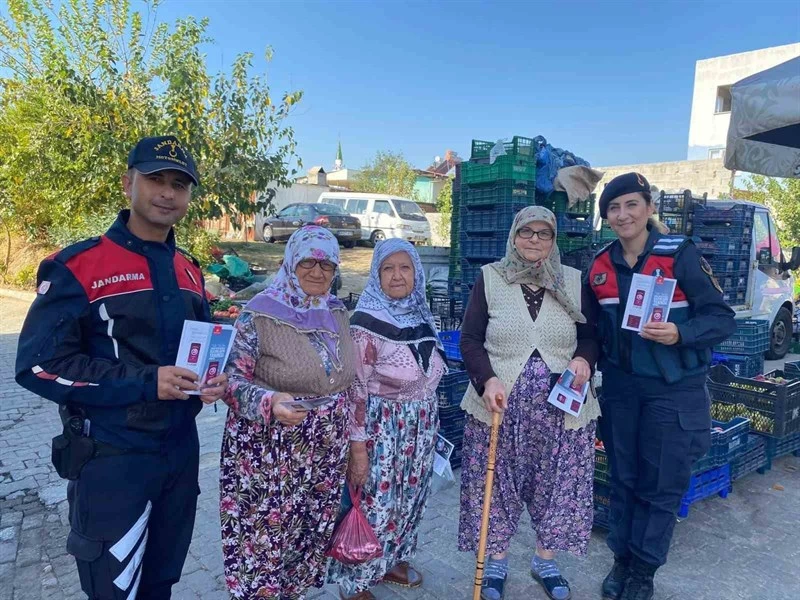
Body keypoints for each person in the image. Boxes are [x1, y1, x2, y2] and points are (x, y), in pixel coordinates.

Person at [14, 135, 228, 599]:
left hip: (179, 453)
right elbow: (39, 366)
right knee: (115, 591)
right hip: (113, 458)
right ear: (128, 182)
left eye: (180, 184)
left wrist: (212, 382)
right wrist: (147, 382)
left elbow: (201, 349)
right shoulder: (78, 266)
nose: (168, 193)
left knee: (161, 583)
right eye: (155, 179)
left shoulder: (189, 270)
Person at [587, 173, 736, 600]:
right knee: (623, 480)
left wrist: (680, 333)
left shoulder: (679, 254)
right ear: (607, 218)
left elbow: (721, 318)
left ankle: (643, 572)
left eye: (631, 204)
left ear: (649, 208)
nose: (623, 214)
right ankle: (622, 560)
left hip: (674, 390)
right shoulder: (599, 267)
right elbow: (592, 331)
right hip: (620, 390)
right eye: (613, 208)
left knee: (661, 483)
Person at [458, 206, 600, 600]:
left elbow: (591, 336)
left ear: (554, 240)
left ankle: (545, 561)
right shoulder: (490, 278)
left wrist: (583, 360)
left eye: (544, 233)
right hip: (498, 407)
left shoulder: (572, 281)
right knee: (496, 485)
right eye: (527, 232)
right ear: (514, 235)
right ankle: (496, 563)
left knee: (557, 486)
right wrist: (486, 379)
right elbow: (469, 340)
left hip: (562, 409)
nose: (534, 240)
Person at [219, 225, 357, 599]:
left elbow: (350, 379)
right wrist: (270, 401)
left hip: (324, 452)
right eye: (308, 262)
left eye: (326, 264)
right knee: (264, 541)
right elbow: (228, 381)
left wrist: (357, 441)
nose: (317, 271)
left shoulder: (336, 311)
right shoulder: (259, 314)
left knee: (305, 536)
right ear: (290, 262)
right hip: (269, 453)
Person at [327, 239, 447, 600]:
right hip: (382, 427)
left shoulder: (421, 314)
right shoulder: (366, 322)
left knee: (409, 497)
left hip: (421, 424)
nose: (398, 275)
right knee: (375, 501)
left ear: (417, 273)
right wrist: (358, 448)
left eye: (405, 267)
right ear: (377, 275)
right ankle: (357, 580)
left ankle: (393, 558)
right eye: (388, 268)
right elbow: (356, 389)